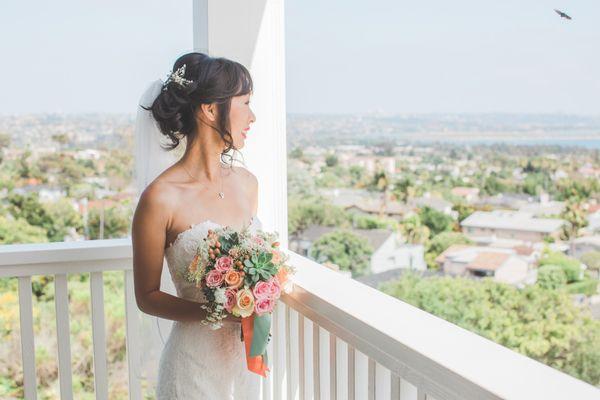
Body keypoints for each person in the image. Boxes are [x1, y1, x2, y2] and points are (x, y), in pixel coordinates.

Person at [131, 52, 261, 399]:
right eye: (245, 103)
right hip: (192, 369)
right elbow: (147, 297)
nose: (253, 116)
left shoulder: (248, 184)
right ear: (208, 109)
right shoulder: (160, 198)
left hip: (243, 367)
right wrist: (218, 310)